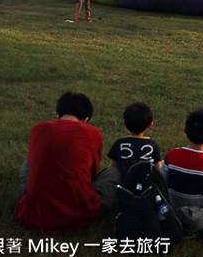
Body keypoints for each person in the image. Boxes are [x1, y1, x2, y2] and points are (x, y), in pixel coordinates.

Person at [14, 91, 120, 236]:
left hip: (33, 213)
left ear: (58, 115)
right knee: (113, 172)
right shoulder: (93, 132)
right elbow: (93, 174)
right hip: (80, 213)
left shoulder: (38, 129)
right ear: (85, 119)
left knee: (27, 164)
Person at [108, 102, 162, 185]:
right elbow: (159, 172)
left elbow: (112, 170)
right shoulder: (153, 145)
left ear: (124, 123)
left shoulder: (119, 143)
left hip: (123, 190)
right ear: (150, 125)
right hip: (146, 191)